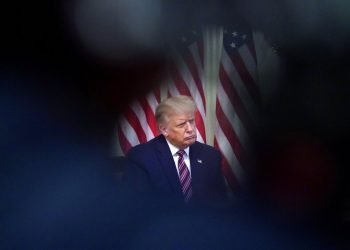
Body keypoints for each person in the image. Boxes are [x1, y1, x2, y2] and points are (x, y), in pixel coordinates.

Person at [123, 95, 227, 208]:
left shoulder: (210, 155)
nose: (191, 129)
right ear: (164, 130)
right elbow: (137, 206)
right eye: (182, 124)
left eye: (191, 121)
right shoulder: (141, 157)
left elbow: (220, 202)